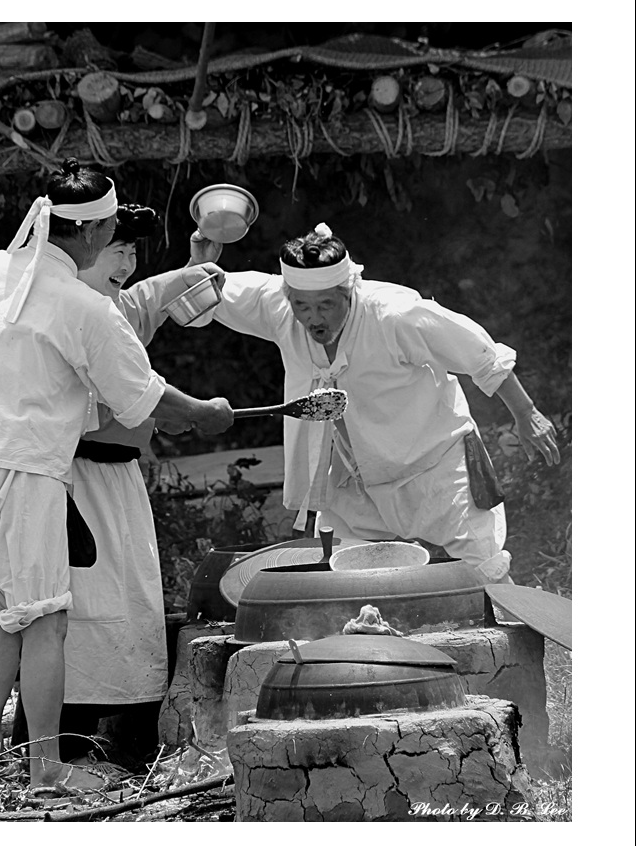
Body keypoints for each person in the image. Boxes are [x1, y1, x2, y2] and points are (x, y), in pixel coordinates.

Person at [0, 159, 233, 789]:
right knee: (46, 620)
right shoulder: (84, 305)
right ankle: (46, 771)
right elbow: (147, 398)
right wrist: (205, 414)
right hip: (28, 471)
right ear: (91, 233)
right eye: (115, 230)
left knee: (5, 615)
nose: (120, 242)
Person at [184, 222, 559, 581]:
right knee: (348, 578)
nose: (313, 318)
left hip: (435, 466)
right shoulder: (279, 307)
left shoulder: (394, 315)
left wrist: (526, 414)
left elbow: (480, 355)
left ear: (348, 292)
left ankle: (515, 623)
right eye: (302, 306)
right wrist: (197, 265)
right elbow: (202, 299)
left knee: (484, 571)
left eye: (326, 305)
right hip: (353, 477)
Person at [55, 203, 226, 762]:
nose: (126, 263)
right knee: (82, 612)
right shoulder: (67, 312)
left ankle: (124, 747)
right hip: (74, 481)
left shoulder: (117, 307)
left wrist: (197, 264)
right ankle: (61, 745)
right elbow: (139, 394)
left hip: (121, 481)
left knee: (131, 607)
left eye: (131, 251)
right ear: (83, 248)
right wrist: (191, 411)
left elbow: (156, 297)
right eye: (116, 249)